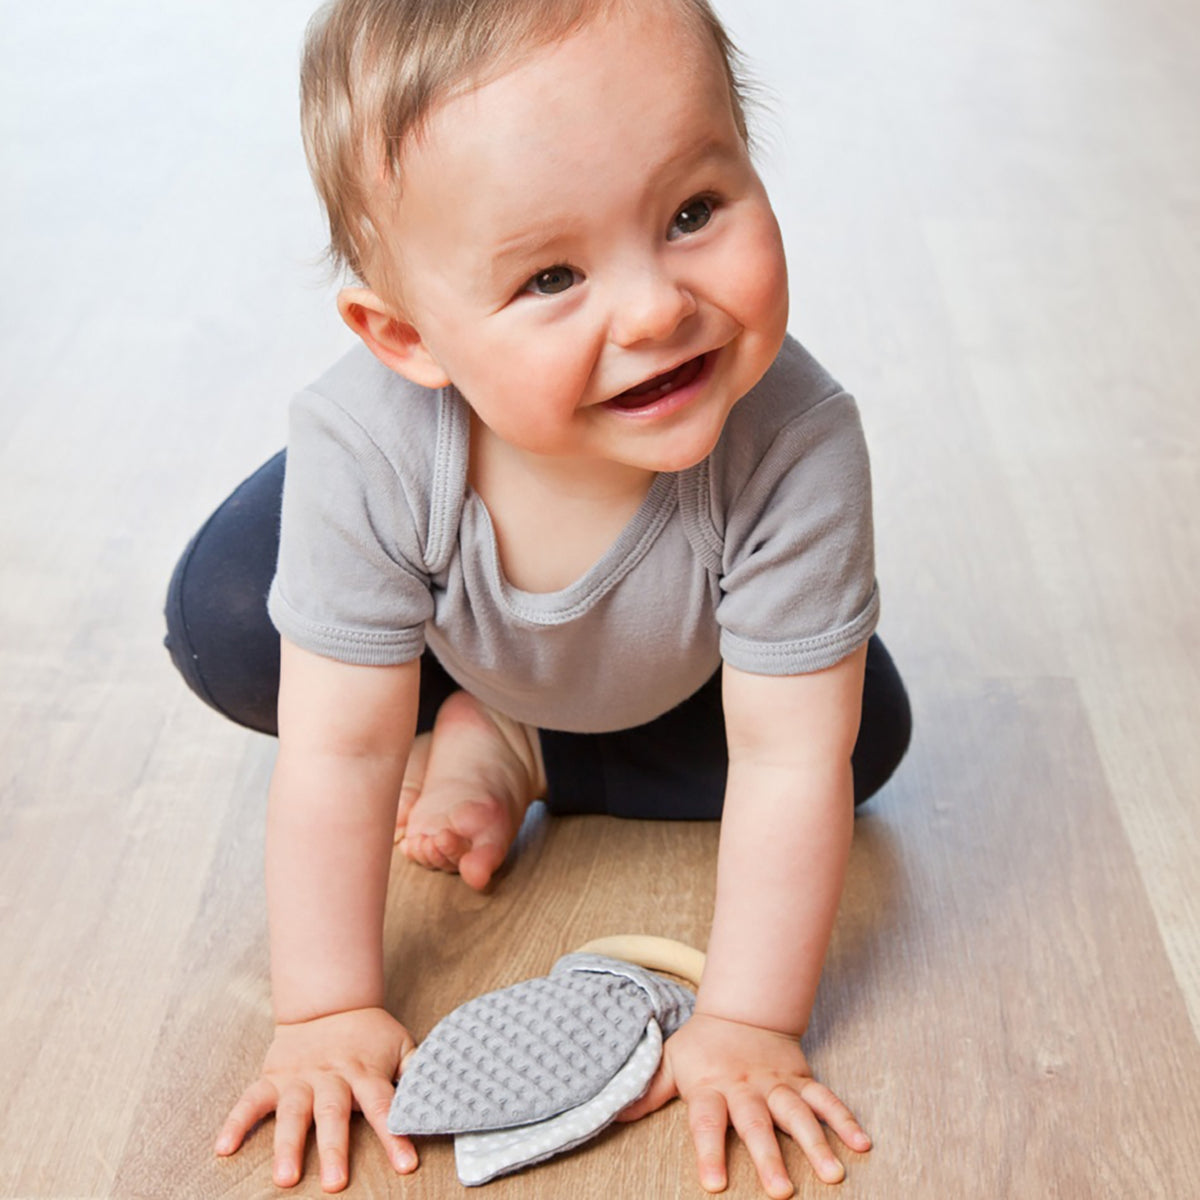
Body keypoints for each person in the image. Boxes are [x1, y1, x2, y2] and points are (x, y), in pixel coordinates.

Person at [163, 0, 912, 1194]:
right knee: (231, 619)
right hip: (450, 629)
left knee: (851, 743)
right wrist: (324, 1010)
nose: (657, 308)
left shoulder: (795, 445)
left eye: (692, 213)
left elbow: (783, 764)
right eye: (554, 275)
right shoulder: (369, 444)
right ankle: (475, 709)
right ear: (404, 334)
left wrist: (749, 1021)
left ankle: (516, 741)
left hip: (678, 659)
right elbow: (344, 758)